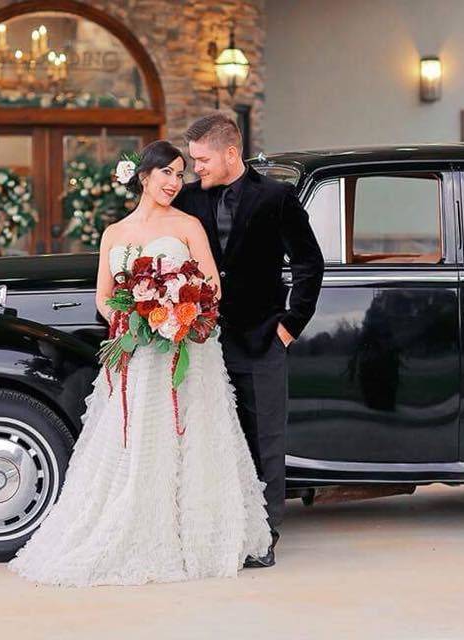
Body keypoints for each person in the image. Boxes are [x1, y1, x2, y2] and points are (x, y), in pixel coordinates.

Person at [7, 140, 273, 587]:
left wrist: (173, 310)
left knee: (194, 438)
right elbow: (104, 297)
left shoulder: (189, 225)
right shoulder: (115, 232)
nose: (174, 182)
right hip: (137, 353)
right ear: (144, 176)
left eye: (180, 173)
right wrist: (132, 318)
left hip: (186, 350)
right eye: (166, 173)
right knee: (139, 442)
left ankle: (198, 536)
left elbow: (212, 287)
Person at [173, 113, 324, 567]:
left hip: (262, 340)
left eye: (202, 159)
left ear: (230, 153)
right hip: (204, 345)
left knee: (264, 440)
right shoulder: (188, 201)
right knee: (213, 437)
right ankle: (218, 529)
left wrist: (288, 326)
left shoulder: (276, 198)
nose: (195, 167)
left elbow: (309, 265)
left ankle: (263, 537)